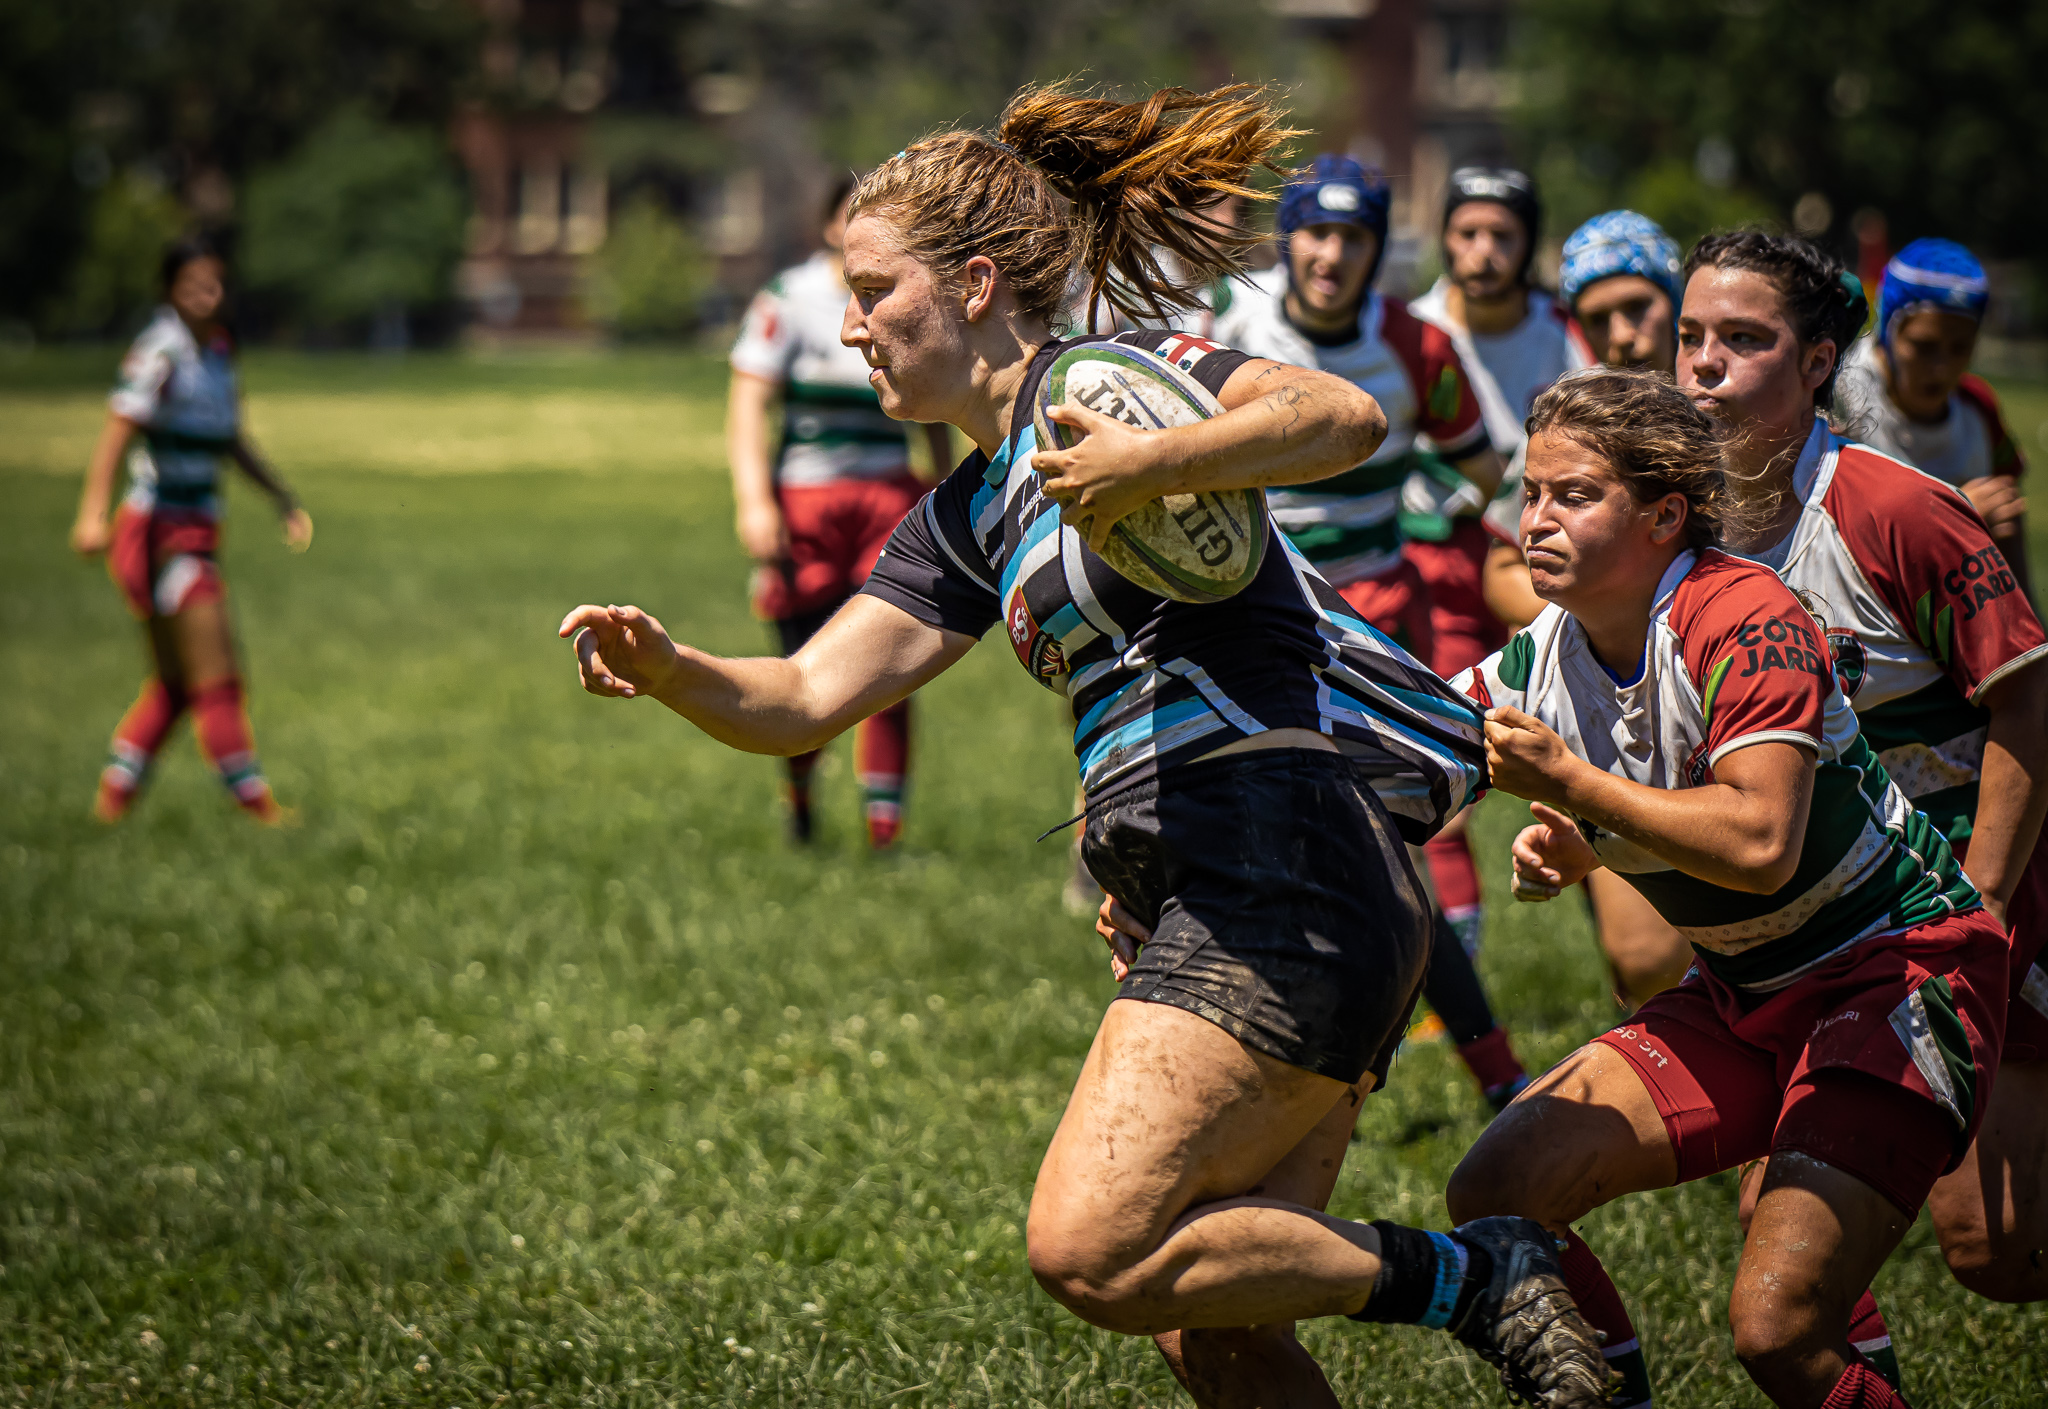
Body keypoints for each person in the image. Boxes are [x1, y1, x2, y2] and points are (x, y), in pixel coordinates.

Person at [561, 83, 1608, 1409]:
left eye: (874, 289)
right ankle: (1476, 1281)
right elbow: (809, 693)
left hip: (1284, 858)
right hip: (1246, 882)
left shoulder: (1122, 384)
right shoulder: (965, 512)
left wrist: (1160, 462)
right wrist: (670, 670)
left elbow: (1340, 418)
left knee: (1093, 1245)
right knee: (1214, 1325)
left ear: (976, 283)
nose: (850, 326)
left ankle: (1478, 1275)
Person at [1445, 365, 2009, 1409]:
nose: (1534, 519)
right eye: (1529, 493)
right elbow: (1404, 755)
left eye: (1572, 495)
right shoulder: (1543, 648)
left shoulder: (1744, 611)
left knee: (1778, 1328)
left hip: (1895, 970)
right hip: (1745, 992)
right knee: (1494, 1192)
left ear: (1663, 514)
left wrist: (1575, 792)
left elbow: (1758, 839)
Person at [1673, 232, 2048, 1378]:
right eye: (1688, 336)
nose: (1701, 364)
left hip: (1963, 892)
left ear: (1816, 357)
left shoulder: (1892, 509)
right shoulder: (1672, 520)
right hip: (1816, 917)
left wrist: (1977, 902)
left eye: (1741, 339)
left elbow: (2027, 709)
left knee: (1991, 1249)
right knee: (1777, 1249)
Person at [1214, 155, 1532, 1111]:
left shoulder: (1414, 345)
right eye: (1315, 232)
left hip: (1370, 628)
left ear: (1374, 250)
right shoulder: (1230, 329)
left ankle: (1490, 1078)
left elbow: (1482, 464)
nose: (1331, 254)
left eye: (1352, 238)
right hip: (1246, 619)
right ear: (1289, 238)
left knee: (1385, 861)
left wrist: (1432, 509)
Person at [1492, 209, 1694, 1008]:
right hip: (1614, 697)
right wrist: (1584, 615)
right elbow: (1502, 562)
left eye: (1638, 306)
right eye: (1597, 314)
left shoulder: (1727, 410)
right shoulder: (1569, 418)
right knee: (1646, 958)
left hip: (1724, 684)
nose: (1622, 330)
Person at [727, 176, 952, 847]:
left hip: (887, 493)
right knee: (800, 658)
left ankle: (886, 830)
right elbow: (747, 406)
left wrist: (947, 488)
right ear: (829, 227)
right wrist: (753, 501)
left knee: (891, 657)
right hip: (807, 498)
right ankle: (798, 798)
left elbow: (936, 398)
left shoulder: (911, 296)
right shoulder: (789, 300)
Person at [1407, 166, 1590, 968]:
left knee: (1586, 762)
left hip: (1553, 563)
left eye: (1502, 235)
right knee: (1442, 750)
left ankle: (1632, 953)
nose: (1483, 251)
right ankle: (1448, 979)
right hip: (1431, 566)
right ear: (1445, 237)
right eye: (1468, 232)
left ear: (1528, 243)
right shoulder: (1406, 328)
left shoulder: (1563, 333)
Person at [68, 237, 310, 825]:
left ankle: (114, 797)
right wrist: (93, 512)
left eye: (218, 283)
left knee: (177, 683)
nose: (212, 294)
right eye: (198, 285)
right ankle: (256, 805)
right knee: (218, 674)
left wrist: (281, 497)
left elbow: (229, 439)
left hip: (197, 529)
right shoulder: (162, 354)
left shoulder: (219, 353)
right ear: (171, 291)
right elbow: (118, 430)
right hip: (158, 535)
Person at [1835, 238, 2030, 591]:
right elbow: (1827, 536)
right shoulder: (1838, 397)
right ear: (1889, 332)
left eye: (1960, 349)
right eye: (1925, 347)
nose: (1942, 369)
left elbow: (2006, 512)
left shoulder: (1978, 410)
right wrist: (1957, 517)